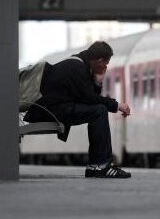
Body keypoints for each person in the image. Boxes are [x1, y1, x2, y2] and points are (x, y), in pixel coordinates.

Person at [24, 41, 131, 178]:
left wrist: (98, 82)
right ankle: (101, 165)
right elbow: (90, 98)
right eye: (106, 63)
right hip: (50, 111)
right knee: (99, 111)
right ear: (99, 60)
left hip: (52, 109)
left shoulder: (78, 63)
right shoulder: (77, 67)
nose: (105, 67)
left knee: (97, 110)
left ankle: (97, 166)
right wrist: (117, 105)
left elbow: (88, 96)